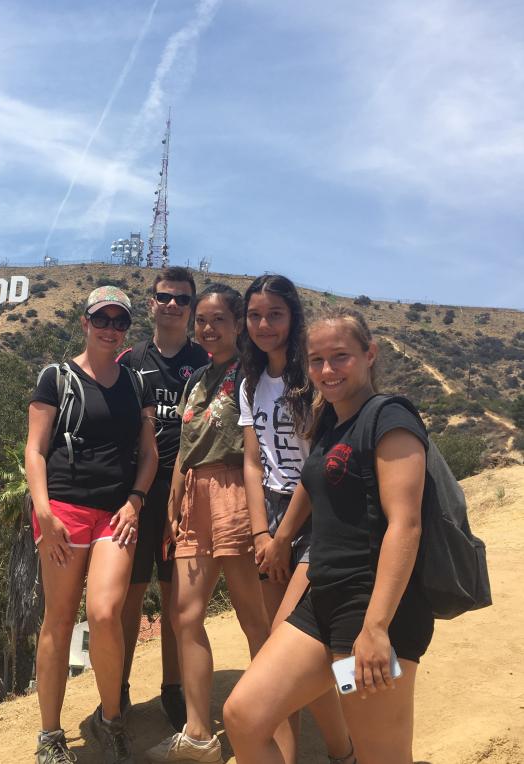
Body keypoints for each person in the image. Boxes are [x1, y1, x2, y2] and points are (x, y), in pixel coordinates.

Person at [224, 307, 434, 764]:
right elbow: (314, 496)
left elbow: (406, 524)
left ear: (369, 355)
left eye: (340, 356)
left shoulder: (389, 417)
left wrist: (376, 628)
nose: (326, 370)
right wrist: (280, 538)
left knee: (381, 755)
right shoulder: (332, 424)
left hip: (374, 607)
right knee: (244, 716)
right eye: (317, 360)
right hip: (323, 600)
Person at [25, 285, 159, 764]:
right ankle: (50, 734)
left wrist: (135, 501)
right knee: (59, 621)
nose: (109, 328)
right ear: (84, 322)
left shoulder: (134, 383)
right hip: (64, 512)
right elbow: (35, 450)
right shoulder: (55, 378)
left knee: (104, 614)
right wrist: (44, 512)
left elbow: (149, 454)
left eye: (118, 321)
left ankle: (111, 719)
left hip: (116, 515)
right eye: (101, 319)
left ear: (127, 329)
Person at [147, 284, 269, 764]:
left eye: (218, 319)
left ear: (238, 324)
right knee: (185, 614)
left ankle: (268, 720)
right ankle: (199, 735)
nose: (208, 328)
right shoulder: (195, 380)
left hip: (236, 493)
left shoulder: (252, 375)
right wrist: (176, 496)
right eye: (202, 320)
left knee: (252, 617)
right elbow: (185, 445)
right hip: (194, 497)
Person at [237, 275, 353, 763]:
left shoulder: (312, 380)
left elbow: (317, 462)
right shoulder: (249, 380)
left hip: (315, 515)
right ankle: (336, 752)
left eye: (275, 315)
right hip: (271, 515)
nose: (265, 325)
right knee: (284, 645)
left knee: (293, 644)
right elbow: (251, 459)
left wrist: (282, 536)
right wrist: (262, 531)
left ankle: (344, 748)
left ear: (292, 317)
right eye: (256, 315)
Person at [117, 266, 209, 731]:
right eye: (164, 297)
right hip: (137, 495)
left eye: (182, 299)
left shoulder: (208, 362)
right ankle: (119, 688)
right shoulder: (130, 360)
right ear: (151, 303)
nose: (172, 305)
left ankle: (173, 689)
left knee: (178, 600)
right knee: (129, 597)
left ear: (192, 307)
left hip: (190, 496)